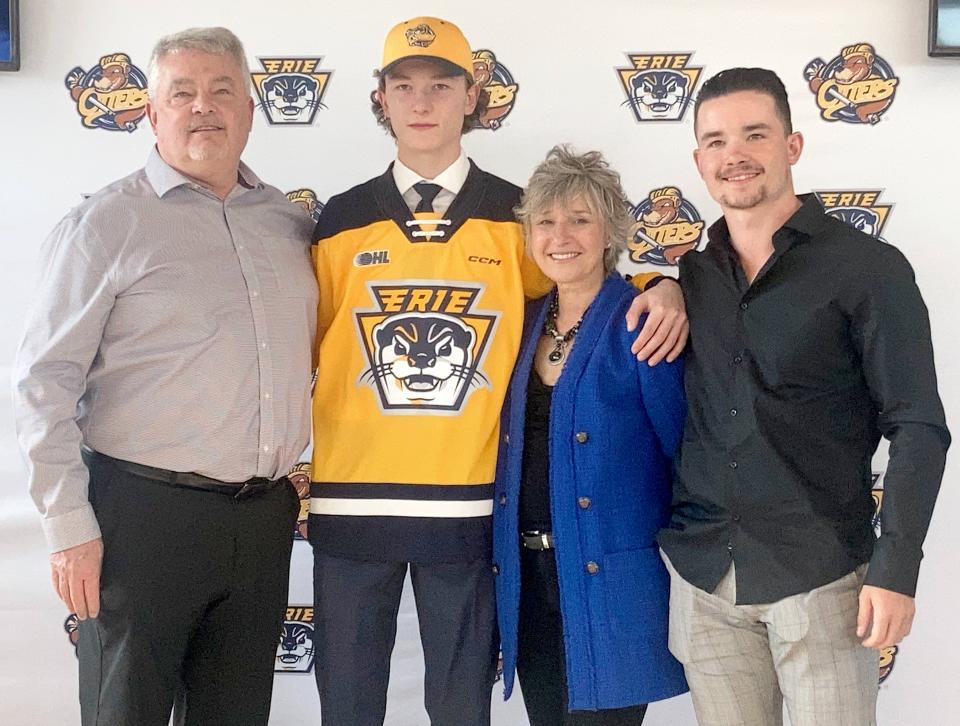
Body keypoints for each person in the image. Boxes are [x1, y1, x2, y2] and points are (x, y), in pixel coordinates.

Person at [307, 16, 687, 726]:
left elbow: (584, 292)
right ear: (380, 97)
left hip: (471, 511)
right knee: (348, 709)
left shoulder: (519, 219)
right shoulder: (339, 221)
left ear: (473, 96)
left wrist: (663, 283)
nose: (423, 102)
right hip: (351, 509)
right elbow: (302, 347)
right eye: (405, 85)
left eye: (442, 85)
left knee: (460, 709)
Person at [13, 27, 316, 726]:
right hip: (140, 520)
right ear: (152, 114)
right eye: (182, 93)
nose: (202, 108)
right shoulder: (106, 224)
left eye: (220, 92)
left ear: (249, 107)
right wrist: (67, 527)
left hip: (263, 517)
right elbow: (44, 384)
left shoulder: (290, 224)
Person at [657, 67, 950, 726]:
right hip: (705, 575)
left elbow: (919, 427)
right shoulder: (694, 275)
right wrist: (660, 283)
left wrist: (896, 565)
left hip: (819, 577)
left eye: (754, 134)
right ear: (700, 161)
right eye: (716, 141)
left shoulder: (866, 269)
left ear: (791, 146)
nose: (734, 154)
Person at [493, 146, 689, 726]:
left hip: (615, 585)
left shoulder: (644, 320)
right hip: (526, 581)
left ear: (610, 231)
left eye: (580, 219)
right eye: (546, 221)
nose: (561, 235)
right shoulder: (522, 320)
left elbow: (684, 450)